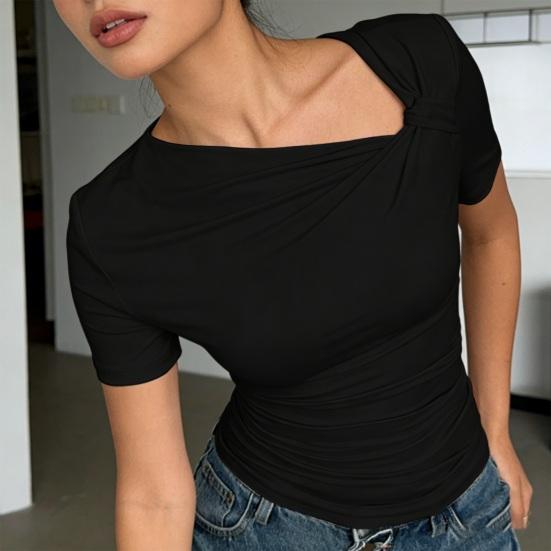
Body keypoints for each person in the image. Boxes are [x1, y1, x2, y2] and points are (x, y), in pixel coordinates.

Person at [57, 1, 532, 549]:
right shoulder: (108, 223)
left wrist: (496, 429)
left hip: (467, 516)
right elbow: (153, 495)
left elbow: (491, 234)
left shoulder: (421, 64)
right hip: (263, 530)